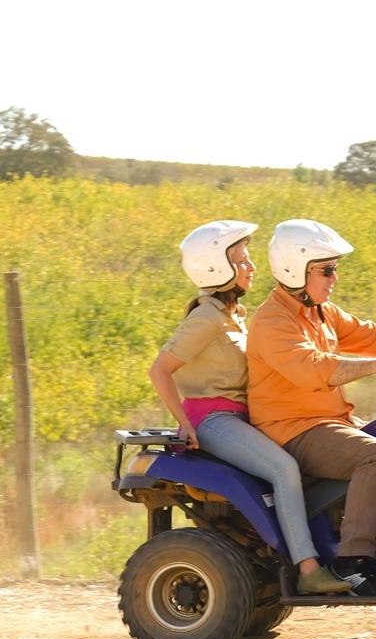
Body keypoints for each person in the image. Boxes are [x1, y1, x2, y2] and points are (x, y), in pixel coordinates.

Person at [246, 219, 376, 595]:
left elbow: (375, 334)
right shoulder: (272, 322)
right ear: (295, 270)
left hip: (327, 420)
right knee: (374, 456)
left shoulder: (321, 312)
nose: (334, 277)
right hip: (292, 428)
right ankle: (352, 564)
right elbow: (314, 370)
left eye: (335, 268)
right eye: (326, 270)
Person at [147, 220, 350, 595]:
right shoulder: (206, 317)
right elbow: (160, 369)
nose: (252, 266)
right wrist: (184, 423)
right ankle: (308, 568)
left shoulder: (235, 317)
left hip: (244, 419)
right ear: (217, 268)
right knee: (284, 469)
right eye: (242, 260)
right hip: (214, 419)